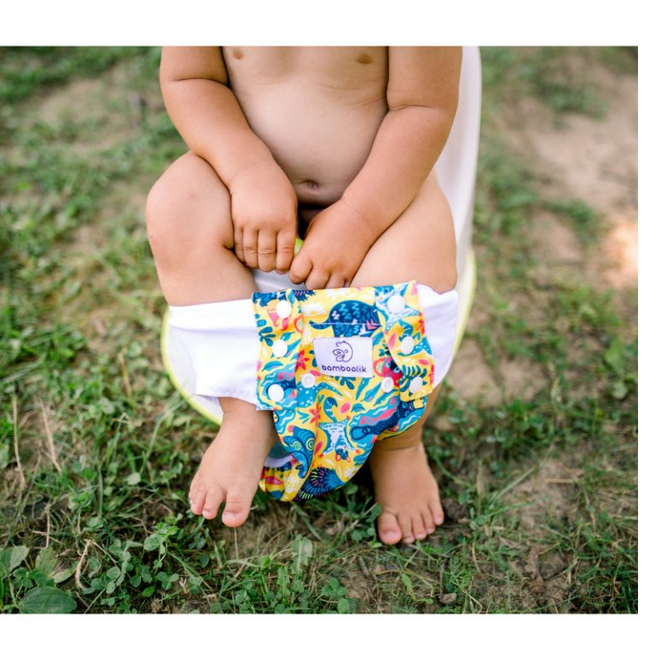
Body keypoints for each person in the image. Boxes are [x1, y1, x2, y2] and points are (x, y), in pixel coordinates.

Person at [146, 47, 462, 545]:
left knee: (414, 284)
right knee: (176, 204)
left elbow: (424, 108)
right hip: (242, 182)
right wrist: (248, 171)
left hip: (381, 193)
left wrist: (358, 218)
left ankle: (399, 446)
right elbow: (191, 79)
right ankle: (248, 408)